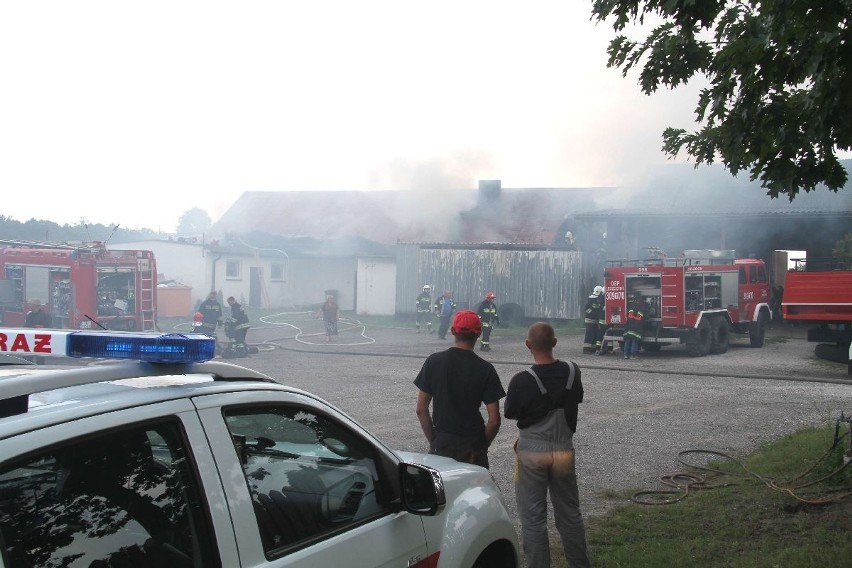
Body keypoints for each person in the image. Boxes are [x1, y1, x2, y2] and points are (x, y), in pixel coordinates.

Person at [504, 322, 590, 568]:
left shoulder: (522, 380)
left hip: (531, 451)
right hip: (563, 449)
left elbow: (510, 412)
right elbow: (578, 398)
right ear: (555, 343)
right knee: (570, 514)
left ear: (528, 345)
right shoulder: (573, 371)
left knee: (533, 518)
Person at [414, 310, 505, 469]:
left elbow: (421, 409)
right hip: (473, 444)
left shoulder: (434, 362)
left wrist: (434, 440)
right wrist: (482, 446)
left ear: (453, 331)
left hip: (442, 441)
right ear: (479, 334)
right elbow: (494, 419)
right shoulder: (485, 369)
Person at [582, 286, 604, 354]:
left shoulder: (599, 298)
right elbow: (586, 308)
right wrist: (592, 313)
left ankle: (593, 348)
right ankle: (586, 349)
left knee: (595, 334)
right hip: (589, 320)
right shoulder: (591, 299)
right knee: (589, 334)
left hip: (596, 321)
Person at [623, 294, 644, 359]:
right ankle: (633, 355)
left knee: (628, 340)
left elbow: (627, 315)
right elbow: (640, 318)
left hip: (628, 326)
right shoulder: (640, 307)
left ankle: (626, 355)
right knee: (635, 340)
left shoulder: (630, 306)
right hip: (636, 327)